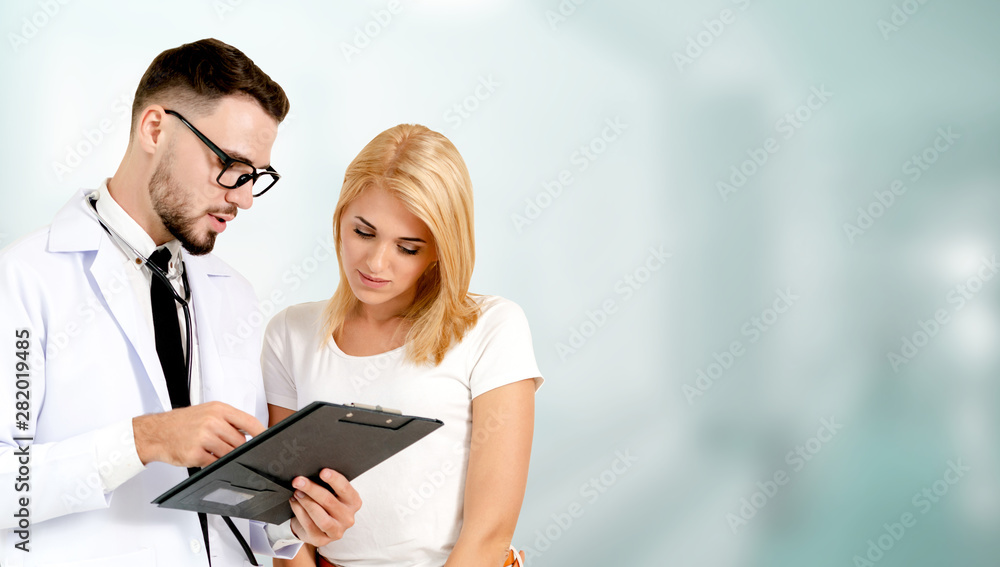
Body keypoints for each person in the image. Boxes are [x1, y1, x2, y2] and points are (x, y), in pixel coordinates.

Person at [0, 38, 360, 566]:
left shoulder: (230, 290)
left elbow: (244, 504)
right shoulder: (24, 280)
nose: (241, 197)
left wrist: (297, 521)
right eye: (231, 164)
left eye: (256, 176)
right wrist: (142, 440)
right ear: (154, 128)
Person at [262, 124, 542, 567]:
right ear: (340, 220)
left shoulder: (493, 327)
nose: (375, 263)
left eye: (408, 247)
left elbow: (488, 535)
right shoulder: (290, 333)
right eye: (363, 232)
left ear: (439, 251)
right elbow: (285, 526)